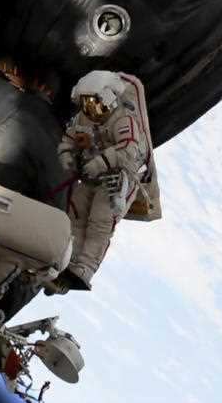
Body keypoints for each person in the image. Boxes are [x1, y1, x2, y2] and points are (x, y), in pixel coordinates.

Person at [47, 70, 160, 294]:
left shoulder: (124, 120)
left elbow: (128, 150)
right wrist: (67, 158)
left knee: (99, 222)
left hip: (117, 179)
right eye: (86, 103)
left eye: (94, 102)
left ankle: (85, 267)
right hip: (90, 177)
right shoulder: (84, 117)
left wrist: (99, 162)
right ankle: (66, 260)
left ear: (108, 98)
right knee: (75, 216)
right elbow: (68, 139)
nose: (91, 109)